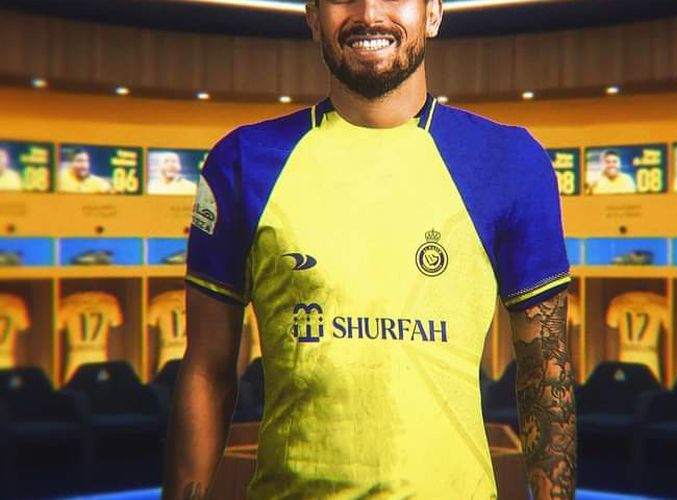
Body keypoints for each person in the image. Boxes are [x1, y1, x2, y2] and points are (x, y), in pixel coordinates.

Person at [164, 0, 576, 497]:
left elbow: (545, 369)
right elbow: (208, 370)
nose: (369, 12)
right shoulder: (241, 162)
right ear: (313, 17)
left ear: (433, 13)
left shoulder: (511, 161)